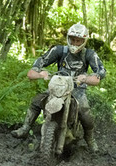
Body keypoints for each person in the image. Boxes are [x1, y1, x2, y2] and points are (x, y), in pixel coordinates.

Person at [11, 23, 106, 152]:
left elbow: (100, 73)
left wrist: (86, 78)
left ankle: (90, 139)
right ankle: (25, 128)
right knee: (37, 101)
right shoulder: (59, 50)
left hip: (77, 89)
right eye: (73, 39)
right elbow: (38, 65)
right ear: (68, 38)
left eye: (79, 41)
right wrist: (40, 73)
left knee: (85, 112)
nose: (75, 43)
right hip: (58, 86)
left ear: (84, 41)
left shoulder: (89, 54)